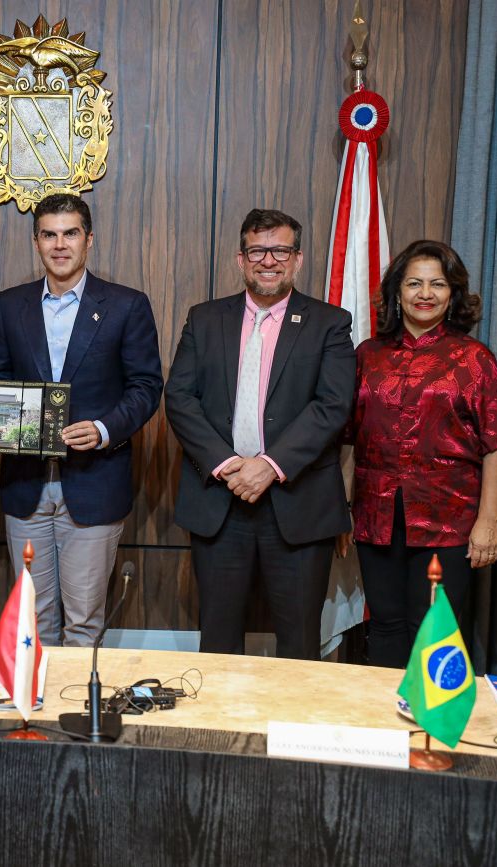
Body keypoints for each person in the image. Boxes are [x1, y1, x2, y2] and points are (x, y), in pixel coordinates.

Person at [0, 193, 162, 647]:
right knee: (33, 622)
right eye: (49, 234)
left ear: (89, 239)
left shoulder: (126, 305)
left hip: (93, 485)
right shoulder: (12, 304)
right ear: (36, 242)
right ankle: (37, 699)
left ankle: (75, 699)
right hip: (25, 486)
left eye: (70, 234)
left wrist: (104, 429)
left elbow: (146, 387)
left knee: (84, 623)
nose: (59, 244)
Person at [165, 208, 354, 659]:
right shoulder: (204, 318)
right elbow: (180, 398)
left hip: (298, 503)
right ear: (241, 259)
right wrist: (229, 464)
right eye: (257, 251)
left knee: (299, 642)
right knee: (218, 640)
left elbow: (332, 406)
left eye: (280, 251)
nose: (269, 261)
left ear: (298, 259)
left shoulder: (330, 322)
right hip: (219, 499)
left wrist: (270, 466)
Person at [343, 240, 497, 667]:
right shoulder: (368, 355)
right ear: (397, 292)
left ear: (453, 294)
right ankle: (389, 710)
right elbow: (349, 438)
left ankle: (429, 713)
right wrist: (343, 510)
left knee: (434, 630)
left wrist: (488, 523)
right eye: (414, 283)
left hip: (448, 521)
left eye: (437, 284)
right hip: (376, 518)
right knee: (384, 625)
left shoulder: (474, 359)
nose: (425, 293)